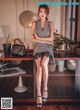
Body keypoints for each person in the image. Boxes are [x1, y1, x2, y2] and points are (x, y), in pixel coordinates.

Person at [31, 5, 54, 109]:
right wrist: (46, 40)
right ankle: (39, 95)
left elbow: (52, 38)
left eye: (44, 11)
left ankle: (45, 88)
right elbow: (33, 39)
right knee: (39, 68)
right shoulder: (34, 23)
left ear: (47, 13)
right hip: (38, 48)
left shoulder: (51, 23)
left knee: (44, 64)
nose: (42, 13)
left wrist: (40, 38)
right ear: (38, 12)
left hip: (47, 48)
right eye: (40, 11)